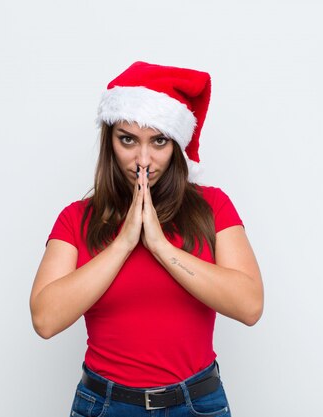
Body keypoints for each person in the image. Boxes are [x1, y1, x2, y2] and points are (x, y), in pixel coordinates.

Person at [30, 61, 264, 416]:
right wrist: (124, 243)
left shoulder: (213, 206)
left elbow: (249, 306)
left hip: (196, 404)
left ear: (176, 145)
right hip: (106, 406)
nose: (143, 160)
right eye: (128, 140)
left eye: (158, 141)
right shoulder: (76, 219)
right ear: (109, 141)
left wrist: (159, 246)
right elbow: (45, 320)